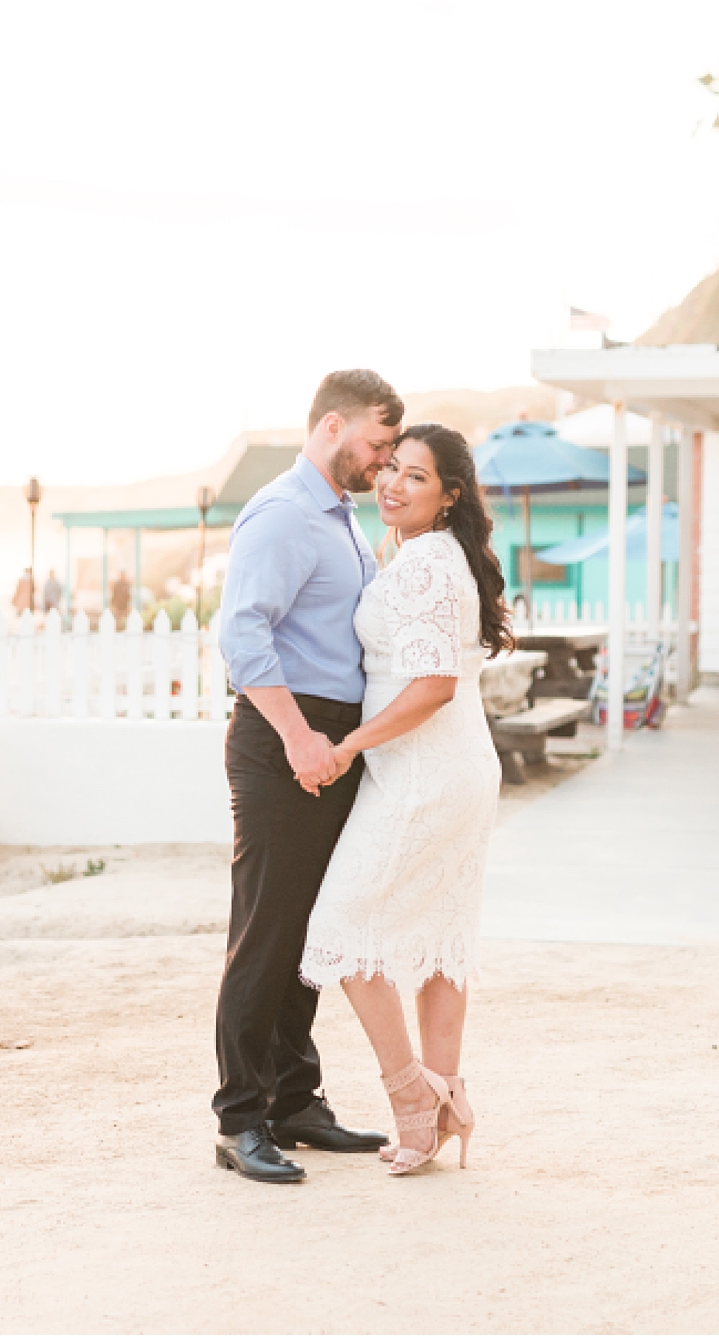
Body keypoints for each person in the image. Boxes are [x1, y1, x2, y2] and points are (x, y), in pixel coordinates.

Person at [300, 422, 511, 1176]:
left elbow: (432, 685)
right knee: (441, 939)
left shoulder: (424, 565)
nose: (391, 484)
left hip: (425, 773)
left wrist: (349, 745)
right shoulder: (441, 555)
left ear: (449, 497)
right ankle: (446, 1097)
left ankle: (411, 1101)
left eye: (415, 477)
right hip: (456, 768)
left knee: (343, 931)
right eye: (391, 468)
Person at [211, 369, 404, 1183]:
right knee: (266, 932)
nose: (386, 460)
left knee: (309, 936)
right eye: (378, 442)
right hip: (284, 737)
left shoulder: (345, 521)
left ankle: (294, 1101)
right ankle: (240, 1119)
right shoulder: (286, 515)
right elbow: (243, 639)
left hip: (331, 738)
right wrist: (297, 738)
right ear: (331, 427)